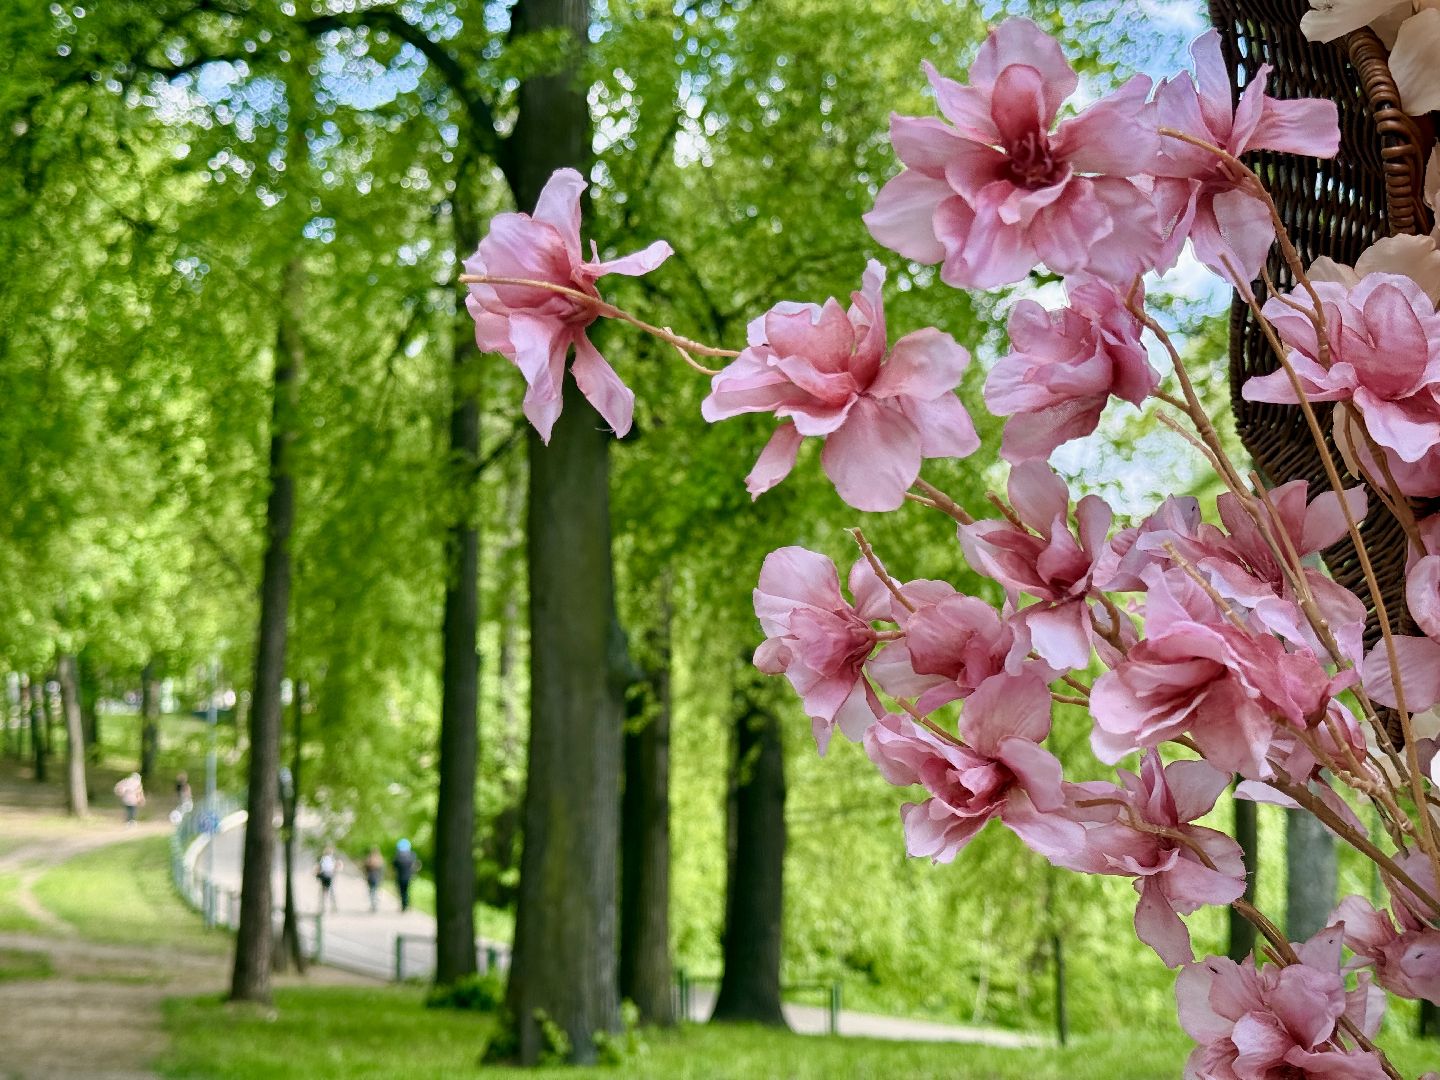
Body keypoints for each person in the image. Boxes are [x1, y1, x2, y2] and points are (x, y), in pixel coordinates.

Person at [392, 839, 420, 913]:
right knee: (407, 891)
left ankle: (404, 905)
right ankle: (406, 905)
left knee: (402, 892)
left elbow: (394, 867)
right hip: (409, 877)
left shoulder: (397, 856)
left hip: (400, 877)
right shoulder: (412, 855)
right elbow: (416, 866)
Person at [315, 846, 341, 913]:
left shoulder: (323, 859)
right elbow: (337, 866)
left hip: (324, 876)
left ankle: (324, 907)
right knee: (330, 892)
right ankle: (332, 907)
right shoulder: (331, 859)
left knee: (324, 892)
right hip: (329, 876)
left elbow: (318, 868)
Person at [363, 847, 385, 913]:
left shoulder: (369, 860)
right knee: (375, 891)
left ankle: (373, 904)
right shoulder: (380, 860)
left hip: (371, 878)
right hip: (377, 878)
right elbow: (382, 871)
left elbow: (365, 869)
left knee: (372, 891)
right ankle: (375, 904)